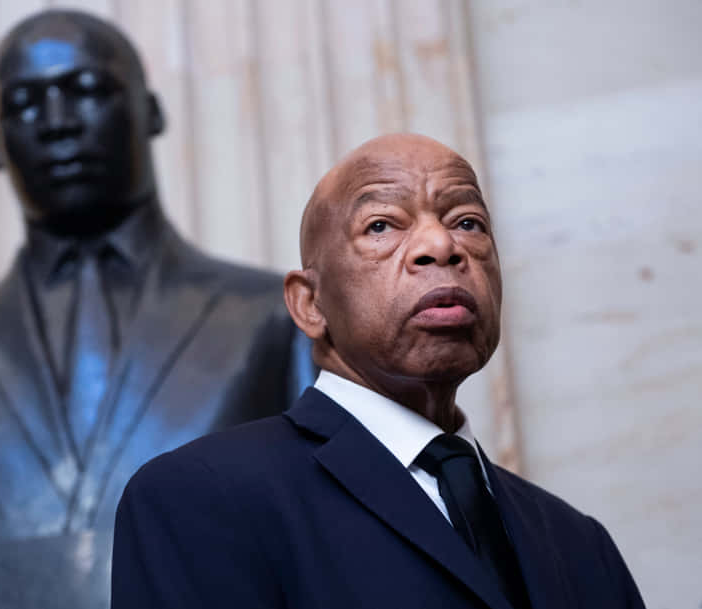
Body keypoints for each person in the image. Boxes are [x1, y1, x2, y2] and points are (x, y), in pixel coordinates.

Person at [112, 134, 645, 609]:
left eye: (468, 222)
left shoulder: (580, 545)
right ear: (310, 304)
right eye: (382, 225)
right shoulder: (200, 499)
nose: (442, 246)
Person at [0, 9, 312, 568]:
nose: (57, 122)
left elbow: (333, 551)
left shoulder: (273, 319)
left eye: (87, 90)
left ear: (149, 112)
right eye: (24, 103)